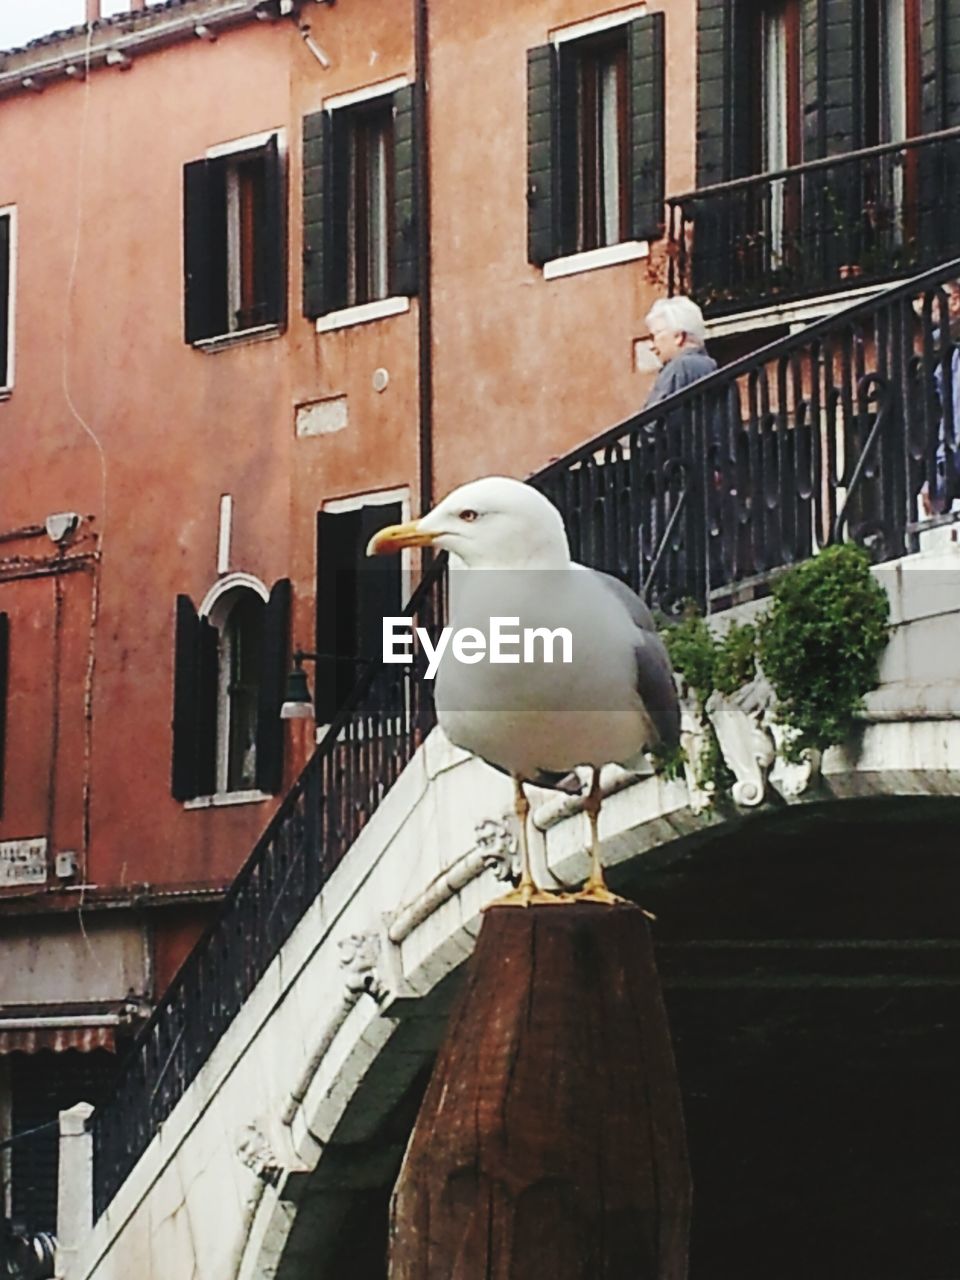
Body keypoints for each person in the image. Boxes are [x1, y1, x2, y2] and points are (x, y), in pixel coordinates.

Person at [643, 296, 718, 407]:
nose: (651, 346)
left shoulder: (679, 368)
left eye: (653, 336)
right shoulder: (712, 368)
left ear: (678, 336)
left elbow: (651, 422)